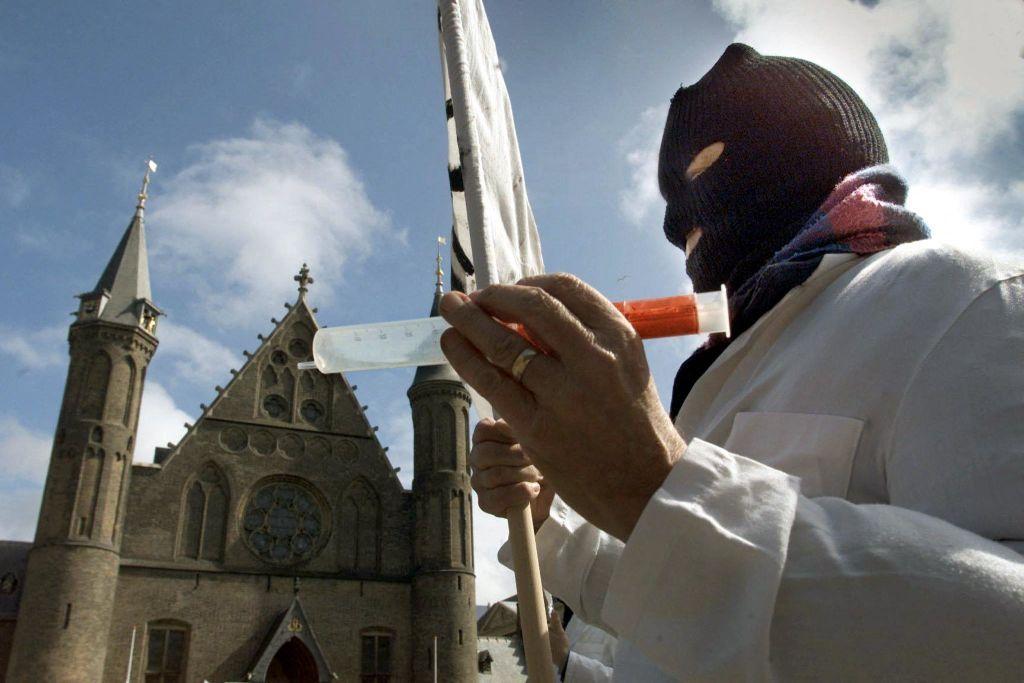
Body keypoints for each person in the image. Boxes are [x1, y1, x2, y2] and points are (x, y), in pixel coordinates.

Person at [439, 43, 1024, 681]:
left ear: (804, 148)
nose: (675, 224)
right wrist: (558, 523)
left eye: (701, 169)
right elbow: (687, 626)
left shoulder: (954, 296)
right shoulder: (715, 376)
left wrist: (654, 488)